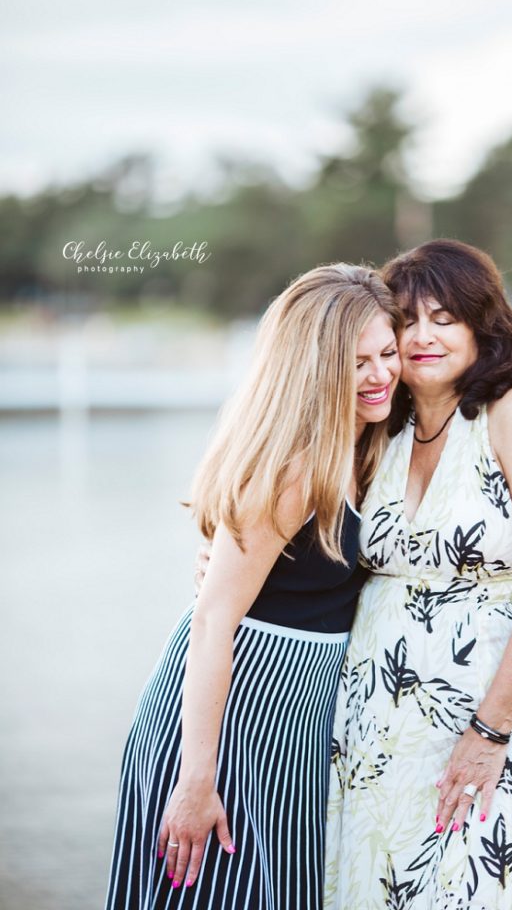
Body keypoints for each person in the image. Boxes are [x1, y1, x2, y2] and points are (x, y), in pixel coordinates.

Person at [104, 263, 402, 910]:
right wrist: (195, 779)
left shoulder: (367, 445)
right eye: (356, 363)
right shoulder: (294, 470)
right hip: (232, 714)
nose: (380, 376)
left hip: (294, 720)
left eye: (387, 353)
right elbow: (213, 621)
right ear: (314, 370)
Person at [324, 239, 512, 910]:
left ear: (481, 324)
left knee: (479, 884)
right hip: (378, 715)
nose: (421, 336)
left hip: (492, 701)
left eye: (444, 317)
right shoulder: (381, 427)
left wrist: (489, 731)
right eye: (405, 321)